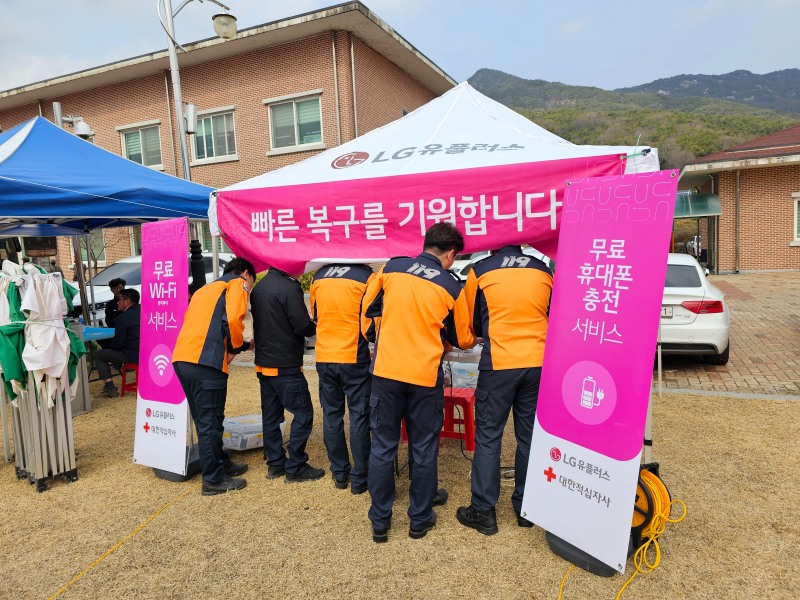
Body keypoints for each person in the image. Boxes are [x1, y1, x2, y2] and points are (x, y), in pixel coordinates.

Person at [361, 222, 474, 543]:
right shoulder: (451, 285)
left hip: (385, 372)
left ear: (426, 244)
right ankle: (419, 519)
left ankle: (380, 522)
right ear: (450, 254)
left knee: (383, 446)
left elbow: (368, 314)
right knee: (424, 447)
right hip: (424, 377)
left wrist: (375, 335)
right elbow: (464, 338)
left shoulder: (392, 268)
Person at [456, 246, 553, 535]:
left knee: (489, 437)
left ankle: (483, 511)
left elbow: (466, 329)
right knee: (529, 438)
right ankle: (526, 507)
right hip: (537, 363)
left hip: (499, 364)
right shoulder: (543, 269)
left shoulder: (480, 270)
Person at [172, 257, 255, 496]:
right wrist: (238, 346)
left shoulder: (204, 290)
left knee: (204, 419)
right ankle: (213, 479)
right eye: (252, 280)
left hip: (183, 358)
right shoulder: (237, 283)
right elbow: (233, 319)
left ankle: (220, 462)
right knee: (211, 421)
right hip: (206, 361)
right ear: (246, 273)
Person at [250, 266, 323, 484]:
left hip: (264, 363)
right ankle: (296, 465)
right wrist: (314, 325)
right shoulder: (290, 288)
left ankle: (275, 464)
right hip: (285, 364)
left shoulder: (259, 287)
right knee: (304, 413)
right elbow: (302, 325)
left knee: (271, 416)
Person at [309, 263, 375, 494]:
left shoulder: (319, 275)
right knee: (359, 415)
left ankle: (339, 474)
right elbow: (369, 323)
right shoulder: (366, 277)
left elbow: (315, 314)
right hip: (353, 356)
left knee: (331, 415)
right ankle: (360, 477)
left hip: (325, 355)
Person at [95, 288, 141, 398]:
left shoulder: (123, 317)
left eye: (119, 300)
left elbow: (118, 344)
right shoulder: (147, 310)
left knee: (99, 354)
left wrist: (112, 346)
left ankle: (109, 387)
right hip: (148, 351)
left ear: (127, 301)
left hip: (132, 354)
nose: (117, 302)